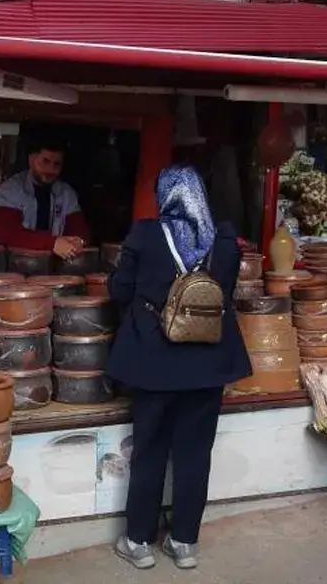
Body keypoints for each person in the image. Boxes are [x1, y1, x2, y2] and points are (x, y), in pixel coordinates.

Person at [106, 165, 249, 571]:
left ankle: (138, 542)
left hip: (155, 363)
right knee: (194, 455)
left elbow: (120, 292)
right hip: (208, 364)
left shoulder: (146, 235)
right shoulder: (223, 240)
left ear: (166, 196)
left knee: (149, 451)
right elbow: (224, 295)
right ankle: (184, 542)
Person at [0, 140, 91, 259]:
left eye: (57, 164)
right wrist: (53, 243)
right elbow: (8, 234)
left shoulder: (67, 194)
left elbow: (80, 230)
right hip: (4, 268)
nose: (51, 169)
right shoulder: (10, 191)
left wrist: (78, 242)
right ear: (31, 159)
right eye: (45, 161)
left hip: (47, 269)